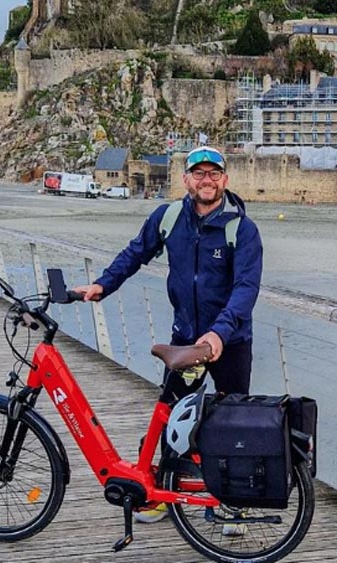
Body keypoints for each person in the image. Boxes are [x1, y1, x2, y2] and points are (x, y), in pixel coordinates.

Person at [74, 146, 263, 527]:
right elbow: (135, 253)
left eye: (213, 174)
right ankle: (162, 494)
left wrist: (218, 334)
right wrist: (101, 286)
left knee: (233, 426)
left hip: (229, 343)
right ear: (186, 179)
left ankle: (234, 504)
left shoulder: (241, 229)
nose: (206, 180)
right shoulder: (170, 217)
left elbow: (246, 289)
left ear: (224, 180)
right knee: (171, 419)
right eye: (198, 173)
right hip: (184, 341)